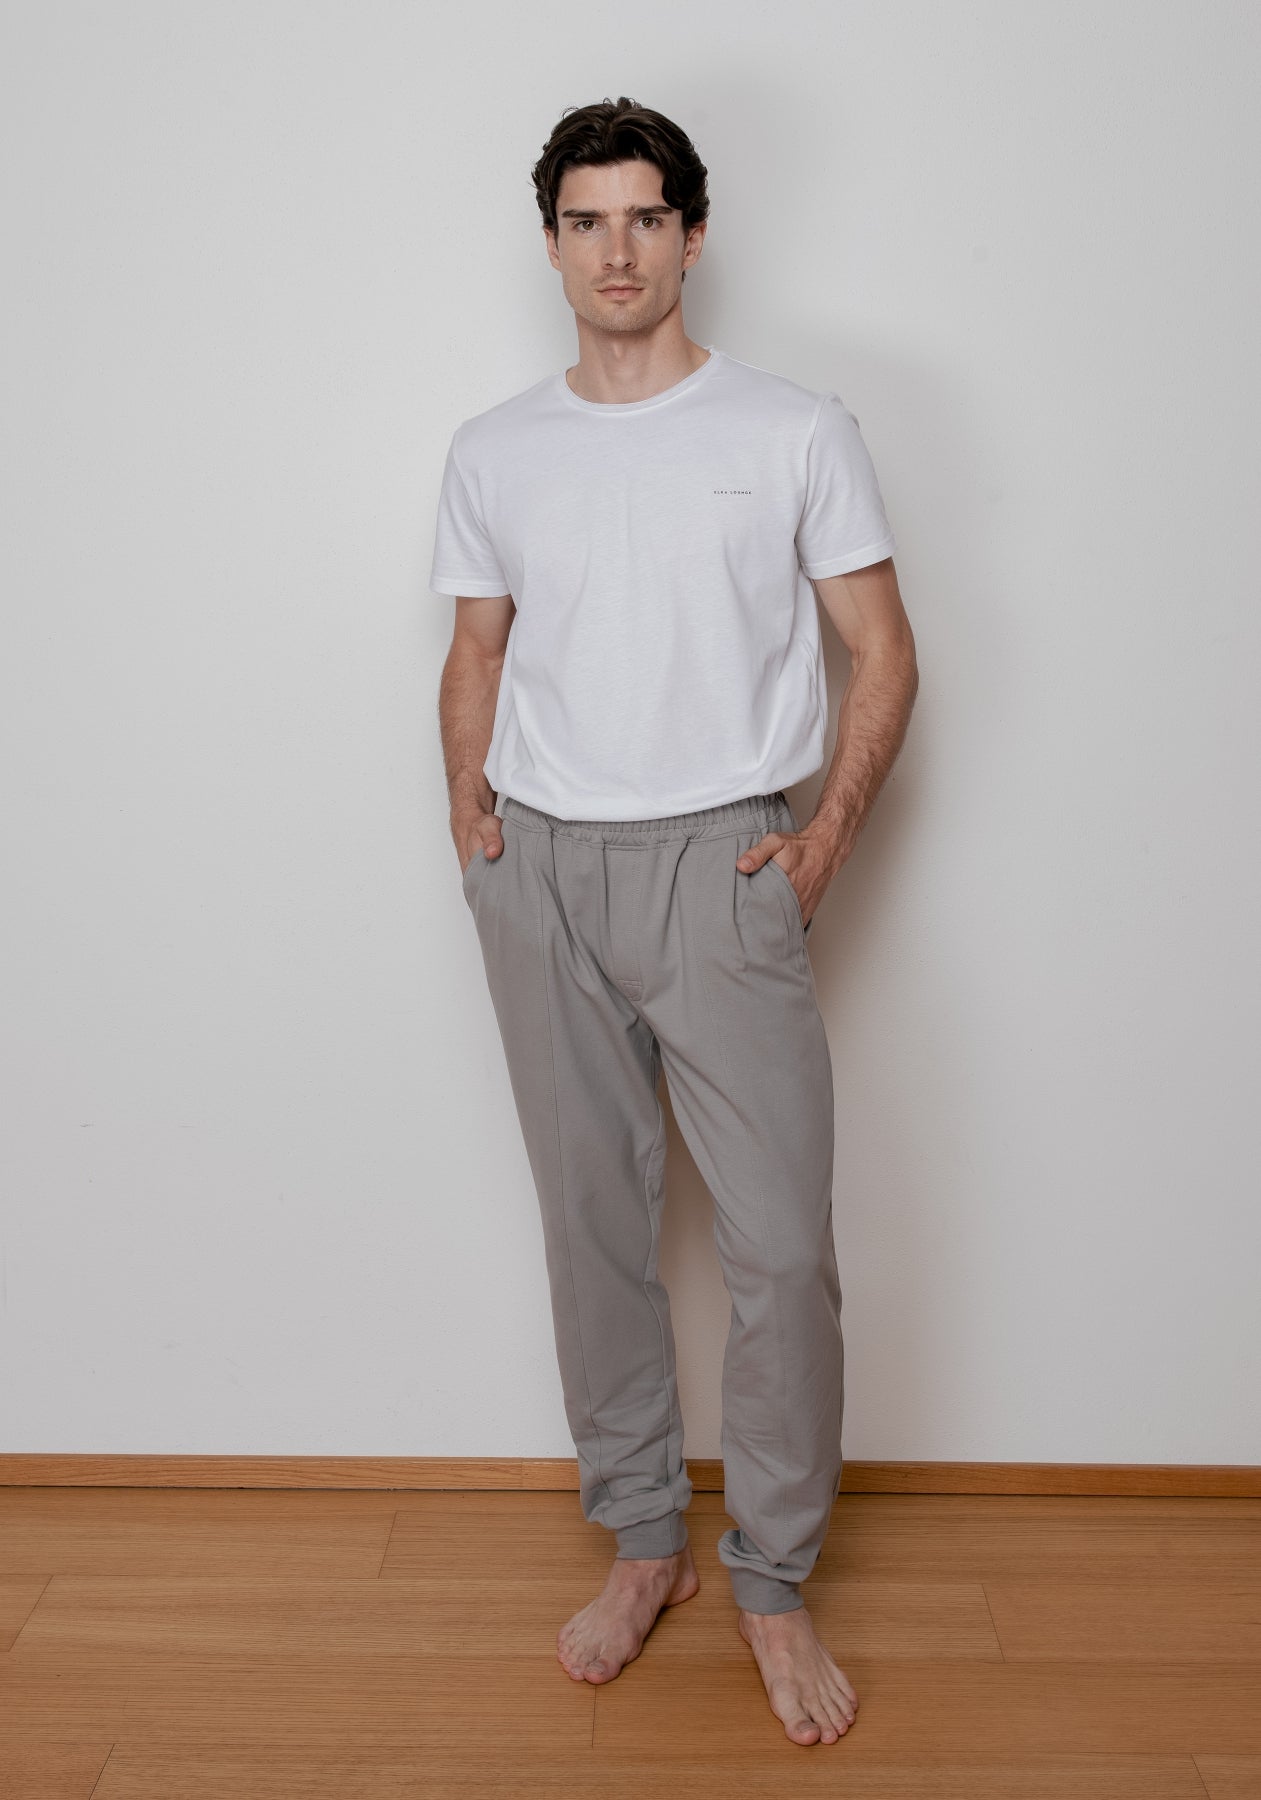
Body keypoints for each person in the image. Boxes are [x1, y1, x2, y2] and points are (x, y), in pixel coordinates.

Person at [431, 95, 918, 1749]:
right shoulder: (495, 447)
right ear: (551, 242)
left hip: (724, 860)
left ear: (693, 234)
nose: (616, 249)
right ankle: (644, 1538)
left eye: (645, 216)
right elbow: (476, 650)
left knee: (778, 1248)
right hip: (542, 867)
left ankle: (770, 1579)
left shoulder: (791, 429)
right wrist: (472, 828)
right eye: (585, 221)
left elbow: (883, 650)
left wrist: (822, 836)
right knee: (592, 1226)